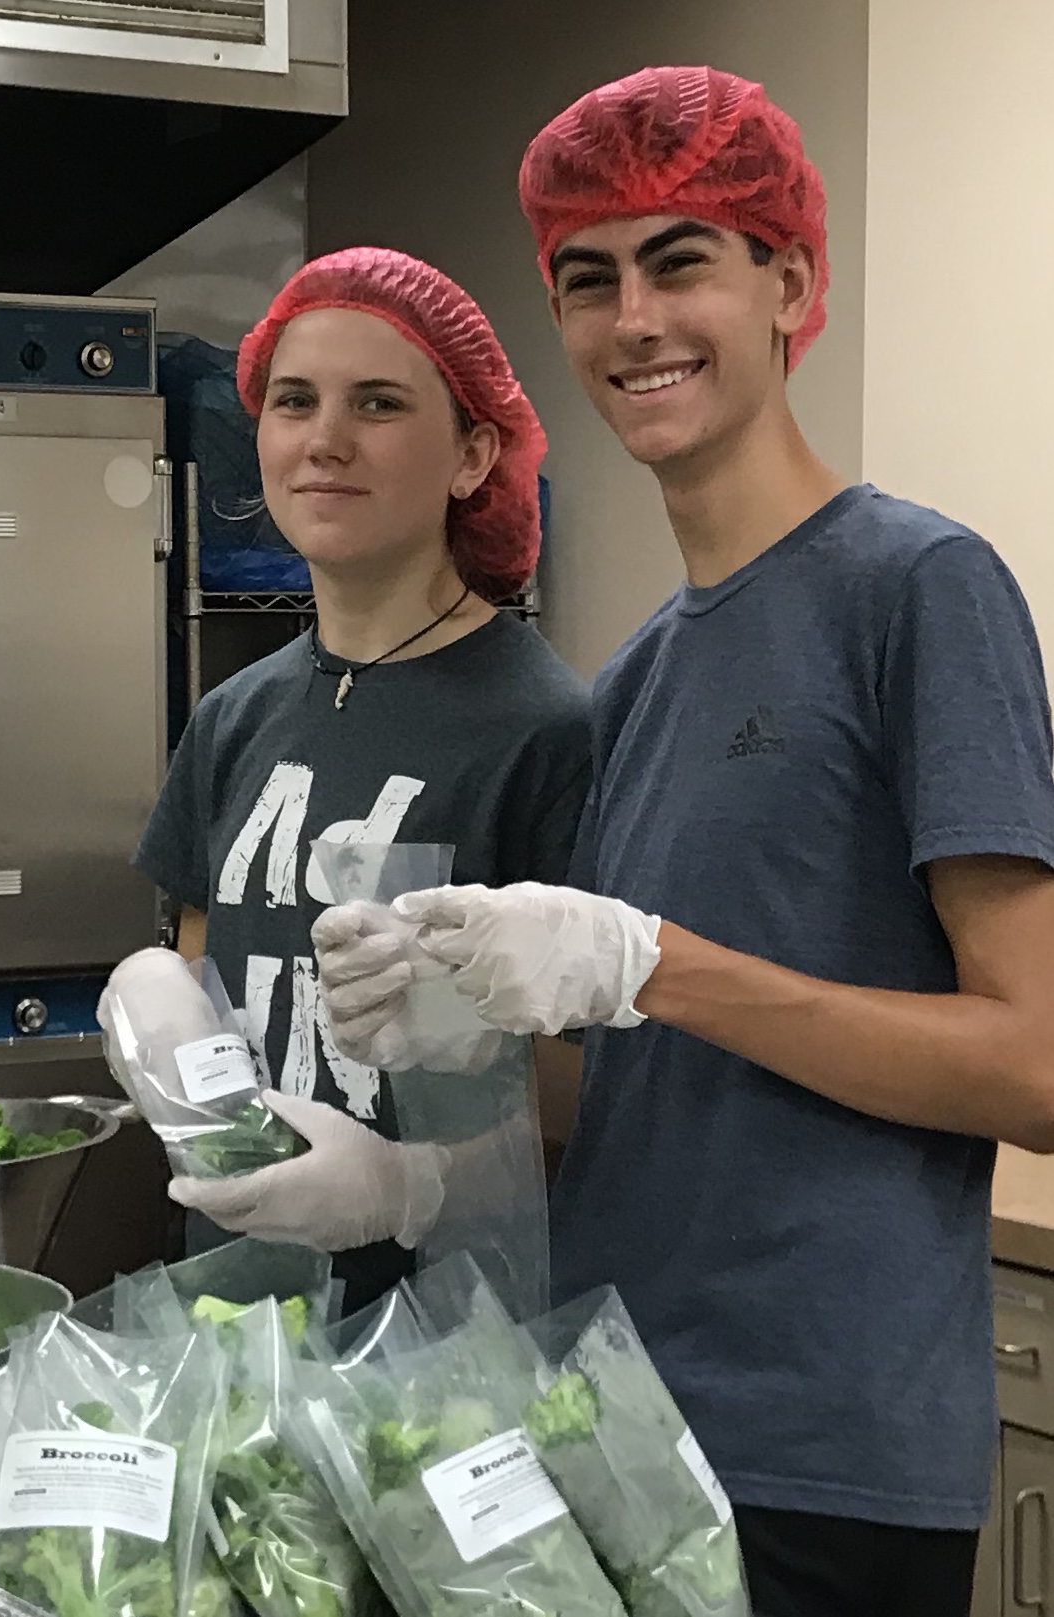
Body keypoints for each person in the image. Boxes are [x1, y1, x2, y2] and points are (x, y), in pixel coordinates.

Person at [319, 67, 1054, 1617]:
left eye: (680, 262)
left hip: (815, 1453)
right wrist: (429, 1111)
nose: (631, 320)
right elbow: (640, 1085)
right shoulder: (641, 671)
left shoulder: (915, 588)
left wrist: (648, 958)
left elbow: (1034, 1066)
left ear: (786, 282)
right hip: (613, 1419)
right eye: (587, 281)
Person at [133, 248, 591, 1309]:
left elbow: (600, 1098)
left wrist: (406, 1184)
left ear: (473, 454)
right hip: (236, 1312)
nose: (325, 439)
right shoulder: (234, 718)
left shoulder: (549, 731)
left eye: (377, 403)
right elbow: (208, 991)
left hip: (452, 1338)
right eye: (295, 402)